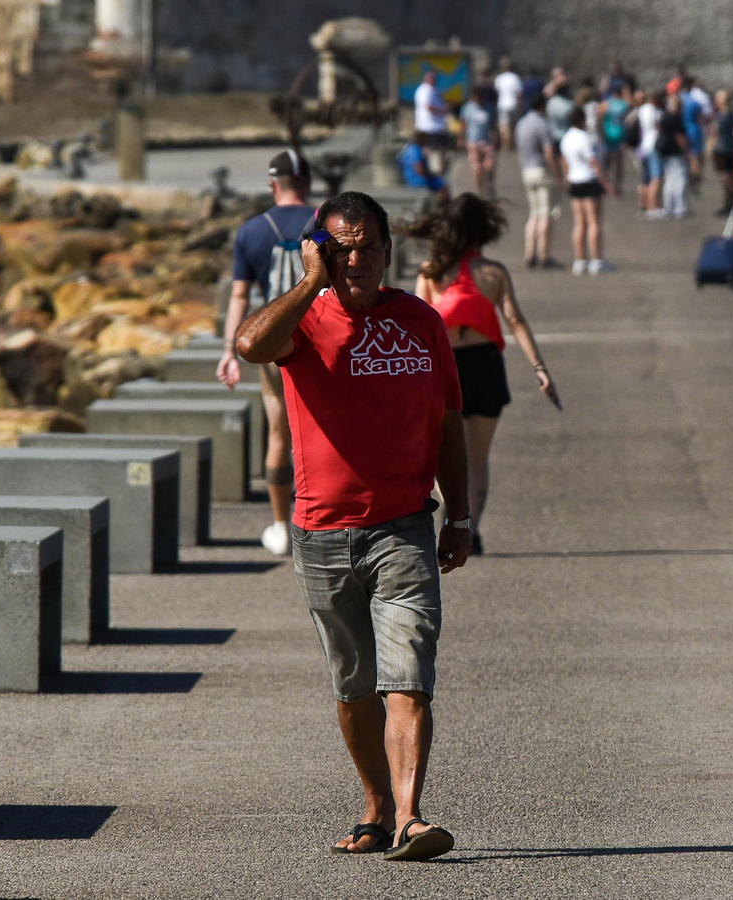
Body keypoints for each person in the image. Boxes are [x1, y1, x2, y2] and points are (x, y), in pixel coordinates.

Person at [233, 190, 469, 863]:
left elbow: (449, 425)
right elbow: (250, 344)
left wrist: (462, 514)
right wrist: (312, 280)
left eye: (368, 247)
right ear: (322, 251)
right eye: (343, 247)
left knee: (409, 679)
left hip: (404, 529)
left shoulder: (421, 322)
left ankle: (412, 819)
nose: (357, 259)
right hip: (324, 534)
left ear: (390, 253)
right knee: (354, 686)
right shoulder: (303, 322)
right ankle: (377, 807)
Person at [409, 194, 561, 553]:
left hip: (446, 367)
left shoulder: (431, 271)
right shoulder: (494, 272)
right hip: (486, 366)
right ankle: (470, 529)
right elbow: (516, 320)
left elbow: (418, 326)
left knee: (445, 452)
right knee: (477, 457)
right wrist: (540, 368)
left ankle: (452, 519)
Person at [217, 150, 317, 555]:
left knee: (279, 433)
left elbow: (238, 297)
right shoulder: (323, 224)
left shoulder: (250, 231)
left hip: (274, 345)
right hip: (322, 339)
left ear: (273, 185)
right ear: (307, 183)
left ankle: (280, 527)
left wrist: (229, 351)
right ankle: (325, 519)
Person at [559, 113, 615, 273]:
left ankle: (580, 260)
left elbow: (564, 161)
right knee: (594, 222)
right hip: (588, 180)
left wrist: (566, 177)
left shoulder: (566, 138)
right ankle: (597, 261)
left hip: (574, 181)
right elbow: (594, 162)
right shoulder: (585, 138)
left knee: (579, 222)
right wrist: (605, 182)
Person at [515, 94, 560, 268]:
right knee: (545, 213)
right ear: (542, 106)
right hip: (541, 170)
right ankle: (543, 255)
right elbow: (549, 151)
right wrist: (556, 173)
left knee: (533, 214)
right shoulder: (542, 124)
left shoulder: (522, 123)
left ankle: (529, 253)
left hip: (527, 170)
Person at [656, 92, 694, 219]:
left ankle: (669, 207)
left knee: (669, 180)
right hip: (674, 152)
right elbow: (680, 138)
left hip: (663, 151)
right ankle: (680, 208)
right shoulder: (676, 119)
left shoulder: (664, 117)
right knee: (680, 180)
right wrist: (687, 152)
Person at [627, 88, 662, 215]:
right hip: (653, 146)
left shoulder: (639, 111)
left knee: (644, 179)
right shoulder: (655, 111)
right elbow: (658, 127)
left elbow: (628, 121)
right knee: (656, 178)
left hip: (641, 148)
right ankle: (653, 207)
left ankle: (643, 206)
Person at [461, 84, 498, 198]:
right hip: (473, 143)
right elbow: (463, 125)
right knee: (477, 170)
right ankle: (480, 192)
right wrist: (461, 139)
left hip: (486, 142)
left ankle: (489, 186)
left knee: (489, 167)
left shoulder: (489, 108)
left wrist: (495, 137)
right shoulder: (467, 109)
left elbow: (493, 125)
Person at [413, 70, 451, 174]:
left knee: (440, 152)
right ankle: (434, 173)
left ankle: (435, 172)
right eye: (431, 77)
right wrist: (443, 109)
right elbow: (428, 106)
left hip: (436, 127)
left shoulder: (434, 89)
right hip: (429, 127)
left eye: (434, 77)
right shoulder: (425, 90)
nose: (433, 80)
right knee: (433, 153)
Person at [398, 131, 450, 208]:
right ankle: (443, 209)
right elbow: (419, 169)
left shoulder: (407, 149)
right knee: (443, 186)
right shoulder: (416, 150)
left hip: (409, 179)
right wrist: (430, 174)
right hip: (419, 181)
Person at [711, 91, 733, 216]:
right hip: (728, 148)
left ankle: (730, 205)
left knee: (727, 178)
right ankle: (730, 204)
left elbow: (715, 133)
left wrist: (712, 146)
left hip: (723, 149)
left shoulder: (724, 115)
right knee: (729, 177)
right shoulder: (729, 114)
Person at [601, 87, 630, 189]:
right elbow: (627, 122)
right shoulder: (624, 105)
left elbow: (599, 119)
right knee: (618, 162)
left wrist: (601, 132)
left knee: (606, 162)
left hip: (608, 135)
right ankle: (617, 184)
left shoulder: (606, 104)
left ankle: (606, 183)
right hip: (620, 135)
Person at [493, 58, 522, 147]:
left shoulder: (499, 78)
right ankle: (513, 144)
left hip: (502, 104)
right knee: (513, 126)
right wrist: (520, 105)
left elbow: (496, 92)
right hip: (513, 104)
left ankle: (506, 145)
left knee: (504, 126)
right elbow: (519, 93)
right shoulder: (516, 77)